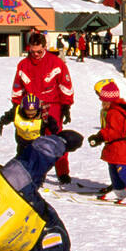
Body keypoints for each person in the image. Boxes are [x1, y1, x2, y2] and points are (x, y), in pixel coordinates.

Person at [11, 31, 76, 185]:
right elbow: (17, 87)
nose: (36, 55)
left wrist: (66, 106)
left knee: (55, 139)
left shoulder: (56, 63)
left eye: (39, 52)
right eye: (32, 52)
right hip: (31, 106)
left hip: (52, 104)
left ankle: (62, 172)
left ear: (45, 48)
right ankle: (33, 171)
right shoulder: (23, 65)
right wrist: (16, 105)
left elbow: (65, 85)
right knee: (30, 140)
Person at [88, 79, 126, 204]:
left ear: (107, 100)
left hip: (123, 145)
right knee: (112, 165)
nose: (101, 103)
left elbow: (114, 131)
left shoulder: (115, 112)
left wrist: (99, 137)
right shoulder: (112, 110)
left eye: (102, 100)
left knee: (123, 168)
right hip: (116, 145)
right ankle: (119, 190)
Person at [0, 92, 69, 161]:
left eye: (33, 112)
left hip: (37, 145)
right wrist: (0, 125)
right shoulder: (16, 112)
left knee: (36, 163)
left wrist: (57, 137)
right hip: (22, 143)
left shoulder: (43, 115)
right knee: (21, 161)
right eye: (28, 111)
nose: (30, 114)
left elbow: (53, 127)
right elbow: (6, 117)